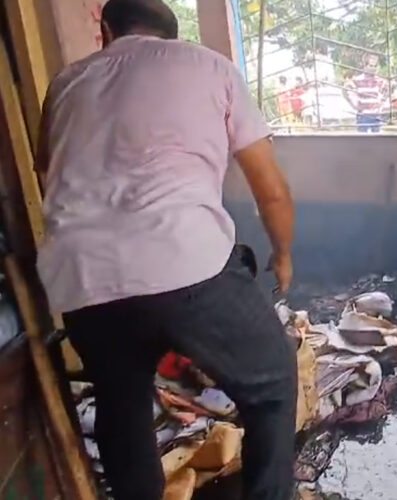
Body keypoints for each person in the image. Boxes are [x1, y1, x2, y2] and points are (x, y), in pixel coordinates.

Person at [34, 1, 296, 499]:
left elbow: (47, 171)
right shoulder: (209, 66)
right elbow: (272, 190)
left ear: (106, 32)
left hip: (81, 276)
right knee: (272, 385)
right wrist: (283, 254)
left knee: (123, 402)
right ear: (171, 36)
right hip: (185, 264)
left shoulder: (65, 82)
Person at [345, 53, 388, 132]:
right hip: (363, 115)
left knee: (377, 140)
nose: (373, 68)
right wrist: (353, 105)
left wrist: (381, 104)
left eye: (375, 66)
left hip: (375, 115)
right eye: (371, 66)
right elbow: (345, 90)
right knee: (362, 141)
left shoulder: (380, 81)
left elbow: (387, 91)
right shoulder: (357, 80)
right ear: (365, 66)